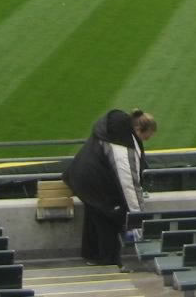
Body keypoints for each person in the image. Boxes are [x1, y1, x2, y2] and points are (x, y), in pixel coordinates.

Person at [62, 109, 157, 267]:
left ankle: (93, 255)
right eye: (148, 135)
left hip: (80, 177)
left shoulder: (113, 129)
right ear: (139, 130)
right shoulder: (123, 144)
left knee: (95, 213)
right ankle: (108, 260)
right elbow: (129, 185)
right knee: (111, 215)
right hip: (93, 182)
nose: (148, 139)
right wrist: (138, 218)